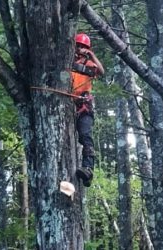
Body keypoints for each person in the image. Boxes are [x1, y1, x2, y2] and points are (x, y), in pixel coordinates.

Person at [71, 33, 104, 187]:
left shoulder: (89, 65)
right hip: (68, 105)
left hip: (84, 107)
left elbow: (101, 72)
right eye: (78, 45)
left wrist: (91, 55)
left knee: (85, 136)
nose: (80, 49)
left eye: (83, 47)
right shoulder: (66, 61)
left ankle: (88, 169)